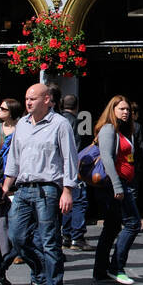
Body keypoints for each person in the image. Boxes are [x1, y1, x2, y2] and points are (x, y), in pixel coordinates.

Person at [1, 83, 78, 285]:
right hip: (24, 189)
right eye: (26, 98)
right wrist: (6, 185)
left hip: (48, 190)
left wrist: (68, 190)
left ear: (47, 100)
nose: (28, 102)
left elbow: (69, 158)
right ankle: (41, 273)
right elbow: (14, 158)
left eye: (33, 98)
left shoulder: (60, 124)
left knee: (49, 241)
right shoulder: (22, 125)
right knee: (17, 236)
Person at [91, 95, 141, 285]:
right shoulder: (108, 129)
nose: (126, 112)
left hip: (122, 183)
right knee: (133, 224)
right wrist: (118, 186)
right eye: (121, 109)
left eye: (127, 109)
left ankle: (100, 270)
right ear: (112, 110)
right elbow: (107, 159)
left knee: (111, 228)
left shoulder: (122, 130)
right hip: (116, 184)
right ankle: (116, 267)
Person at [59, 95, 92, 251]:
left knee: (67, 203)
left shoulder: (58, 121)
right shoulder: (73, 122)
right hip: (72, 168)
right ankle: (77, 237)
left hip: (60, 168)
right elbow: (75, 149)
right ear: (77, 106)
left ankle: (66, 235)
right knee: (79, 201)